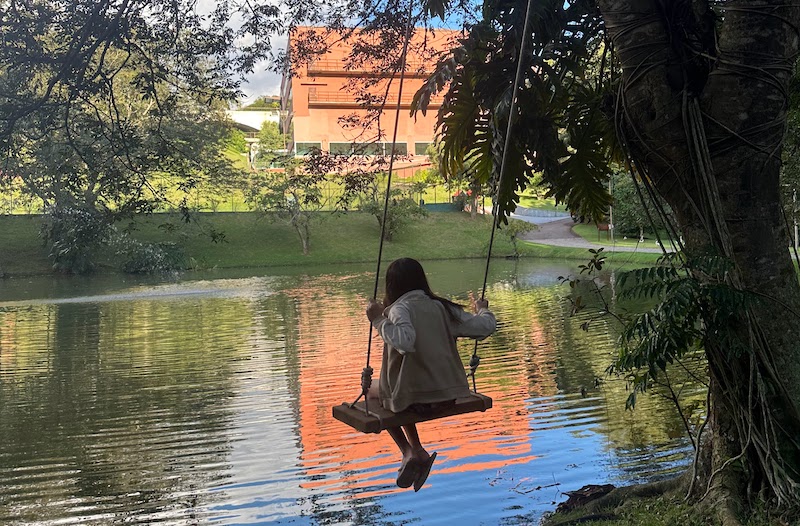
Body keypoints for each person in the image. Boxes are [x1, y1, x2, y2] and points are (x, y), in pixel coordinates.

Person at [365, 257, 496, 491]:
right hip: (447, 398)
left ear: (391, 286)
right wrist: (483, 310)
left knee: (370, 393)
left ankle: (408, 450)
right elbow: (484, 327)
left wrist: (378, 320)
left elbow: (405, 342)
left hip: (415, 402)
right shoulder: (442, 308)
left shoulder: (398, 309)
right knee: (397, 393)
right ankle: (417, 452)